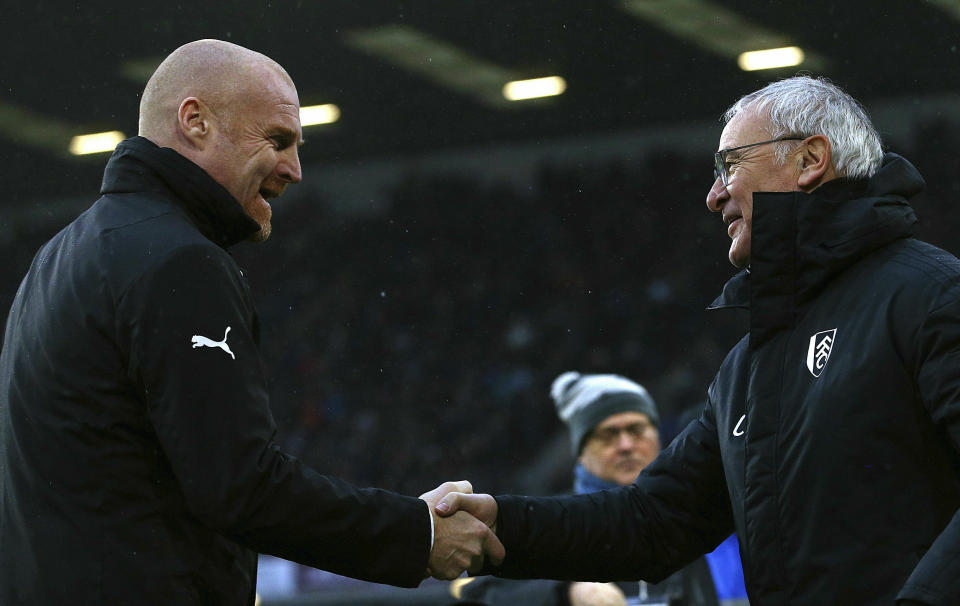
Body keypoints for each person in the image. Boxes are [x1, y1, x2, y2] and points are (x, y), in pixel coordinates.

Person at [0, 39, 501, 605]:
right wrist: (418, 533)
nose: (295, 170)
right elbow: (240, 487)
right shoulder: (176, 260)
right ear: (195, 122)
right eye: (278, 141)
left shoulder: (62, 256)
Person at [435, 76, 960, 606]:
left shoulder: (933, 296)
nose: (713, 197)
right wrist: (499, 522)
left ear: (810, 160)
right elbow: (653, 521)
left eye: (730, 165)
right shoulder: (749, 367)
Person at [452, 372, 746, 606]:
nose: (626, 446)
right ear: (580, 453)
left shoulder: (703, 518)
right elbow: (481, 594)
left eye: (636, 430)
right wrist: (566, 593)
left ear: (659, 438)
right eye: (608, 435)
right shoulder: (553, 525)